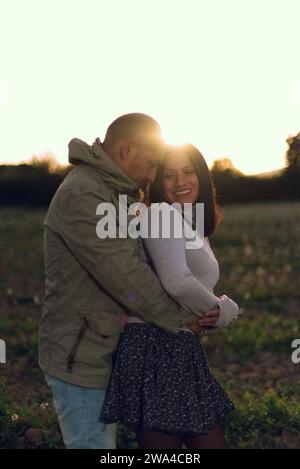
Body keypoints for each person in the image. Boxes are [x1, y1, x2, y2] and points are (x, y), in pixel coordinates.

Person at [39, 114, 208, 449]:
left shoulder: (118, 193)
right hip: (82, 357)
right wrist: (183, 319)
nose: (151, 175)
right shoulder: (84, 194)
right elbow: (125, 275)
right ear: (127, 149)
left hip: (108, 353)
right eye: (150, 164)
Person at [100, 143, 239, 449]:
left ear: (202, 176)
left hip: (176, 344)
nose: (180, 183)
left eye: (189, 172)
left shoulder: (189, 221)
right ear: (157, 181)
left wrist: (215, 313)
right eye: (170, 175)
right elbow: (177, 282)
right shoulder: (162, 214)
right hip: (155, 345)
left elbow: (189, 285)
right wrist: (225, 310)